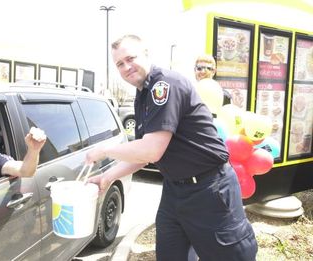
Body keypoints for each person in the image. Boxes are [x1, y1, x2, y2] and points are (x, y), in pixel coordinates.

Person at [85, 35, 257, 261]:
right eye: (120, 64)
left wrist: (105, 151)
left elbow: (152, 150)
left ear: (146, 54)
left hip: (209, 189)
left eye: (131, 58)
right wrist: (107, 177)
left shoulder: (165, 84)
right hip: (174, 191)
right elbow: (142, 156)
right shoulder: (142, 94)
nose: (126, 67)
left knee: (229, 256)